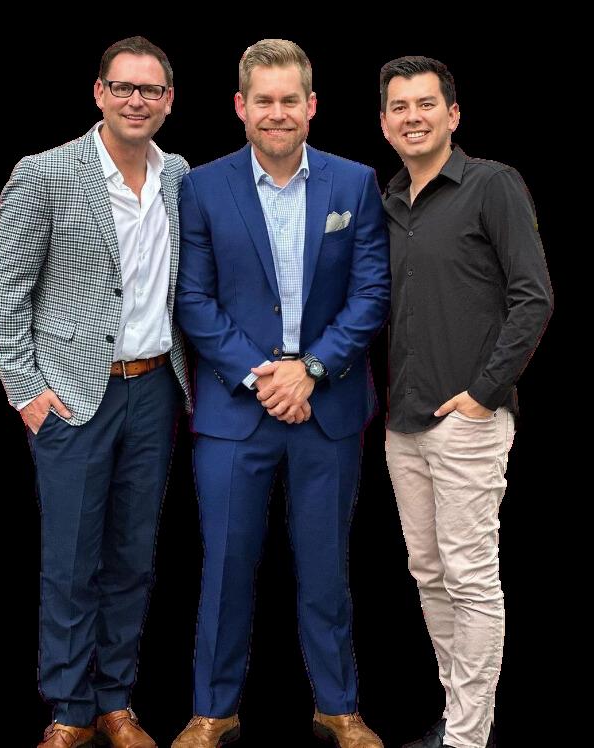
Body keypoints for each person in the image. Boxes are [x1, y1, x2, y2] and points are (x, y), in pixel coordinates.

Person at [173, 38, 390, 748]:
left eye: (289, 100)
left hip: (328, 408)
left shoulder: (354, 183)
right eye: (262, 100)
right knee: (226, 566)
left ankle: (338, 707)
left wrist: (312, 369)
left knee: (326, 567)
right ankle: (212, 711)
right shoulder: (202, 187)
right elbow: (194, 299)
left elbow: (371, 293)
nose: (277, 113)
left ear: (311, 105)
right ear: (240, 106)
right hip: (236, 411)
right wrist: (262, 374)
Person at [0, 35, 190, 748]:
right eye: (123, 87)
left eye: (151, 89)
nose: (137, 100)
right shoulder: (45, 173)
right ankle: (69, 710)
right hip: (72, 396)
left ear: (168, 101)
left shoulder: (176, 176)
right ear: (99, 93)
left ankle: (116, 703)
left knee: (133, 556)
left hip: (155, 389)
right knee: (71, 561)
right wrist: (26, 391)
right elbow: (4, 288)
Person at [379, 55, 553, 748]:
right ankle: (458, 717)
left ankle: (469, 737)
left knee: (471, 576)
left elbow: (533, 296)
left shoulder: (491, 184)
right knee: (428, 574)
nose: (413, 117)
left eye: (426, 104)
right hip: (403, 424)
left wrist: (484, 394)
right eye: (399, 107)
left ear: (453, 114)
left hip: (467, 422)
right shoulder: (389, 201)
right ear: (384, 122)